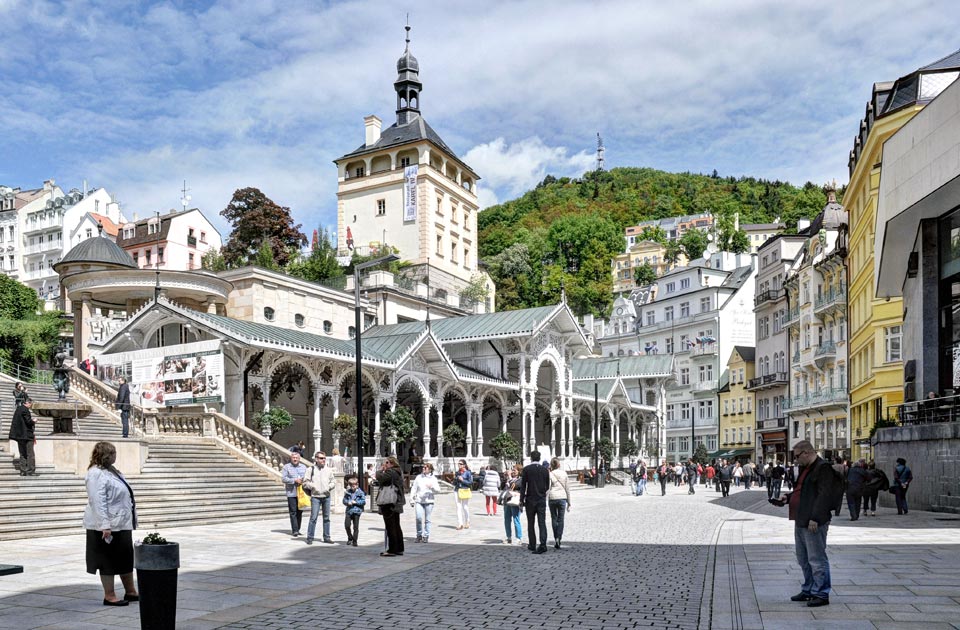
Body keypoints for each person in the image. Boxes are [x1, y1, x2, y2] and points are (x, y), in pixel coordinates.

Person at [771, 440, 841, 608]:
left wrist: (815, 518)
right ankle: (809, 589)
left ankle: (821, 593)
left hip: (813, 521)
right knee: (803, 558)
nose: (795, 460)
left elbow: (824, 495)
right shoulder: (806, 468)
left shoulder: (822, 468)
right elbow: (802, 491)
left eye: (796, 456)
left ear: (806, 453)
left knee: (816, 558)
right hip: (801, 518)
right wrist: (788, 498)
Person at [83, 441, 138, 606]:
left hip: (120, 524)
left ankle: (130, 591)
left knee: (125, 558)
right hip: (105, 527)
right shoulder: (95, 474)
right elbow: (97, 501)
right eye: (113, 453)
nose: (116, 456)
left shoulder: (112, 471)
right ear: (106, 455)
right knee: (107, 562)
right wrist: (104, 525)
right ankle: (110, 595)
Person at [520, 450, 550, 554]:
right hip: (541, 499)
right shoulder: (544, 470)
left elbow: (523, 486)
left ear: (531, 458)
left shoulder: (527, 469)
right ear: (539, 458)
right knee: (542, 523)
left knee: (531, 523)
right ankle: (543, 544)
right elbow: (547, 485)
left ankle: (532, 544)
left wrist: (521, 500)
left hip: (530, 499)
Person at [303, 451, 336, 544]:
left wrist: (328, 487)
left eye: (324, 458)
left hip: (326, 496)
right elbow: (305, 482)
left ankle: (327, 537)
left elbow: (333, 481)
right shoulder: (310, 469)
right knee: (313, 518)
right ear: (316, 459)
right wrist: (313, 486)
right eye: (321, 458)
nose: (323, 460)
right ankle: (310, 537)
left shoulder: (328, 470)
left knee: (326, 518)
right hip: (315, 497)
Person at [375, 456, 405, 556]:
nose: (385, 465)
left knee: (390, 526)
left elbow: (380, 478)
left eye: (387, 463)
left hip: (390, 503)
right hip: (396, 502)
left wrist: (380, 471)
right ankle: (399, 548)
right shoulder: (398, 472)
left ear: (392, 463)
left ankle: (392, 549)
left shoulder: (391, 472)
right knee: (396, 526)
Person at [410, 462, 440, 543]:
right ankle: (419, 535)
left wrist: (432, 487)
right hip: (419, 500)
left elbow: (438, 490)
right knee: (418, 518)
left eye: (425, 468)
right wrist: (411, 498)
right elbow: (414, 488)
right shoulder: (419, 477)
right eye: (423, 467)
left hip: (429, 501)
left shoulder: (433, 478)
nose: (423, 468)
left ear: (430, 469)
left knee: (427, 519)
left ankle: (426, 535)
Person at [280, 451, 307, 537]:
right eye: (293, 458)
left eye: (296, 458)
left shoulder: (303, 467)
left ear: (299, 459)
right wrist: (294, 480)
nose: (295, 459)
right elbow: (284, 479)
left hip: (301, 493)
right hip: (291, 492)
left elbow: (307, 477)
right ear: (291, 458)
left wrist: (302, 480)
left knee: (300, 511)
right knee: (293, 512)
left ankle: (298, 529)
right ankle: (294, 530)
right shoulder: (286, 467)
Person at [9, 398, 37, 476]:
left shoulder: (18, 410)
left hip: (19, 436)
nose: (30, 406)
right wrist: (34, 421)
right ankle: (30, 470)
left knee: (22, 453)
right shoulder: (25, 410)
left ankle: (23, 470)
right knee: (30, 453)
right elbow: (28, 421)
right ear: (27, 403)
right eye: (30, 404)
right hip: (27, 436)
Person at [547, 458, 571, 549]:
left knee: (554, 518)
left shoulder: (550, 474)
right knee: (561, 519)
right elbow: (567, 488)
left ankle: (555, 537)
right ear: (559, 465)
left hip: (552, 497)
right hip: (562, 498)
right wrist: (569, 501)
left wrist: (546, 498)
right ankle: (559, 538)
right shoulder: (564, 473)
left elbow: (548, 488)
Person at [342, 474, 366, 546]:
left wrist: (356, 502)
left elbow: (363, 502)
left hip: (357, 511)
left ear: (357, 485)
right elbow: (344, 500)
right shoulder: (348, 492)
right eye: (351, 486)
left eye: (354, 485)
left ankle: (355, 541)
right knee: (347, 525)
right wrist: (347, 502)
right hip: (349, 511)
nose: (353, 487)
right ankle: (350, 537)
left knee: (356, 527)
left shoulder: (360, 493)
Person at [502, 464, 523, 545]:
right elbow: (502, 487)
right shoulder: (509, 479)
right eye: (512, 470)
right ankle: (508, 537)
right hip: (507, 500)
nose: (513, 471)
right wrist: (505, 478)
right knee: (507, 519)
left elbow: (514, 486)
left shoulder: (520, 479)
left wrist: (510, 477)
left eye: (515, 470)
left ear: (519, 471)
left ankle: (518, 538)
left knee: (516, 519)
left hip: (515, 501)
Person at [453, 460, 473, 530]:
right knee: (458, 507)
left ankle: (467, 521)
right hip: (457, 490)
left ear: (464, 465)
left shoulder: (468, 473)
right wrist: (455, 478)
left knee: (465, 506)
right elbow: (454, 483)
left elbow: (470, 482)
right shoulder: (457, 472)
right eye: (458, 464)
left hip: (464, 490)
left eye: (460, 464)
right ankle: (460, 524)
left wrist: (462, 480)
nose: (459, 465)